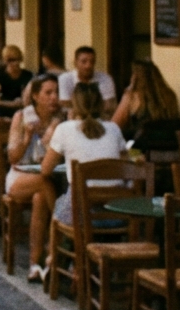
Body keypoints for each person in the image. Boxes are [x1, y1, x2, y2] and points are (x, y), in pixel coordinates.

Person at [38, 83, 127, 227]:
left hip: (79, 216)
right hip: (115, 214)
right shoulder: (114, 129)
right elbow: (125, 168)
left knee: (54, 196)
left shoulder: (64, 129)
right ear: (101, 103)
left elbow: (45, 170)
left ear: (74, 104)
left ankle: (56, 244)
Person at [3, 75, 64, 282]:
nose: (54, 97)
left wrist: (54, 131)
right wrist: (28, 136)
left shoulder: (61, 120)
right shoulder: (21, 117)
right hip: (19, 177)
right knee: (43, 183)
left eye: (56, 92)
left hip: (47, 178)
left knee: (40, 198)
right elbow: (12, 157)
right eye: (48, 93)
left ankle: (35, 264)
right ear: (36, 96)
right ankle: (60, 229)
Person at [111, 59, 180, 140]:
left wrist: (129, 89)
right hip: (168, 145)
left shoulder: (131, 97)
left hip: (141, 147)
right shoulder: (170, 95)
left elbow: (114, 127)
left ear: (135, 77)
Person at [58, 46, 117, 113]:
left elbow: (109, 106)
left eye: (92, 62)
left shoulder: (105, 79)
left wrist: (77, 104)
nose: (88, 65)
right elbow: (64, 105)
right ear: (75, 63)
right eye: (84, 61)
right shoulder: (65, 79)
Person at [0, 45, 31, 115]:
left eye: (17, 59)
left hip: (23, 113)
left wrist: (4, 103)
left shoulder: (27, 76)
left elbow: (26, 101)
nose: (15, 63)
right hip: (3, 113)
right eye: (10, 60)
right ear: (5, 61)